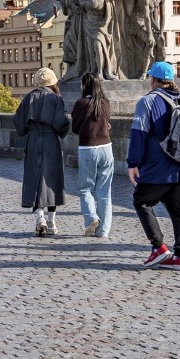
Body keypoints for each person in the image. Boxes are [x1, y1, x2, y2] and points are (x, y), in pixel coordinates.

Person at [128, 60, 180, 271]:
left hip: (158, 166)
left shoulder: (147, 102)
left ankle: (159, 247)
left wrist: (133, 163)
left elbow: (138, 133)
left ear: (154, 80)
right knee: (179, 210)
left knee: (141, 201)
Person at [13, 67, 70, 236]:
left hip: (33, 140)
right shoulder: (56, 99)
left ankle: (40, 218)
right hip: (50, 140)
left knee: (35, 177)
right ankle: (51, 221)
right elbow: (62, 124)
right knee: (52, 178)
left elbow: (18, 123)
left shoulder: (28, 98)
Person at [72, 74, 114, 238]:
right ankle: (103, 231)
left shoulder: (81, 104)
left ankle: (91, 217)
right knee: (104, 192)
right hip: (106, 148)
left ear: (84, 86)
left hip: (88, 148)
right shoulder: (105, 103)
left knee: (85, 188)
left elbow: (75, 128)